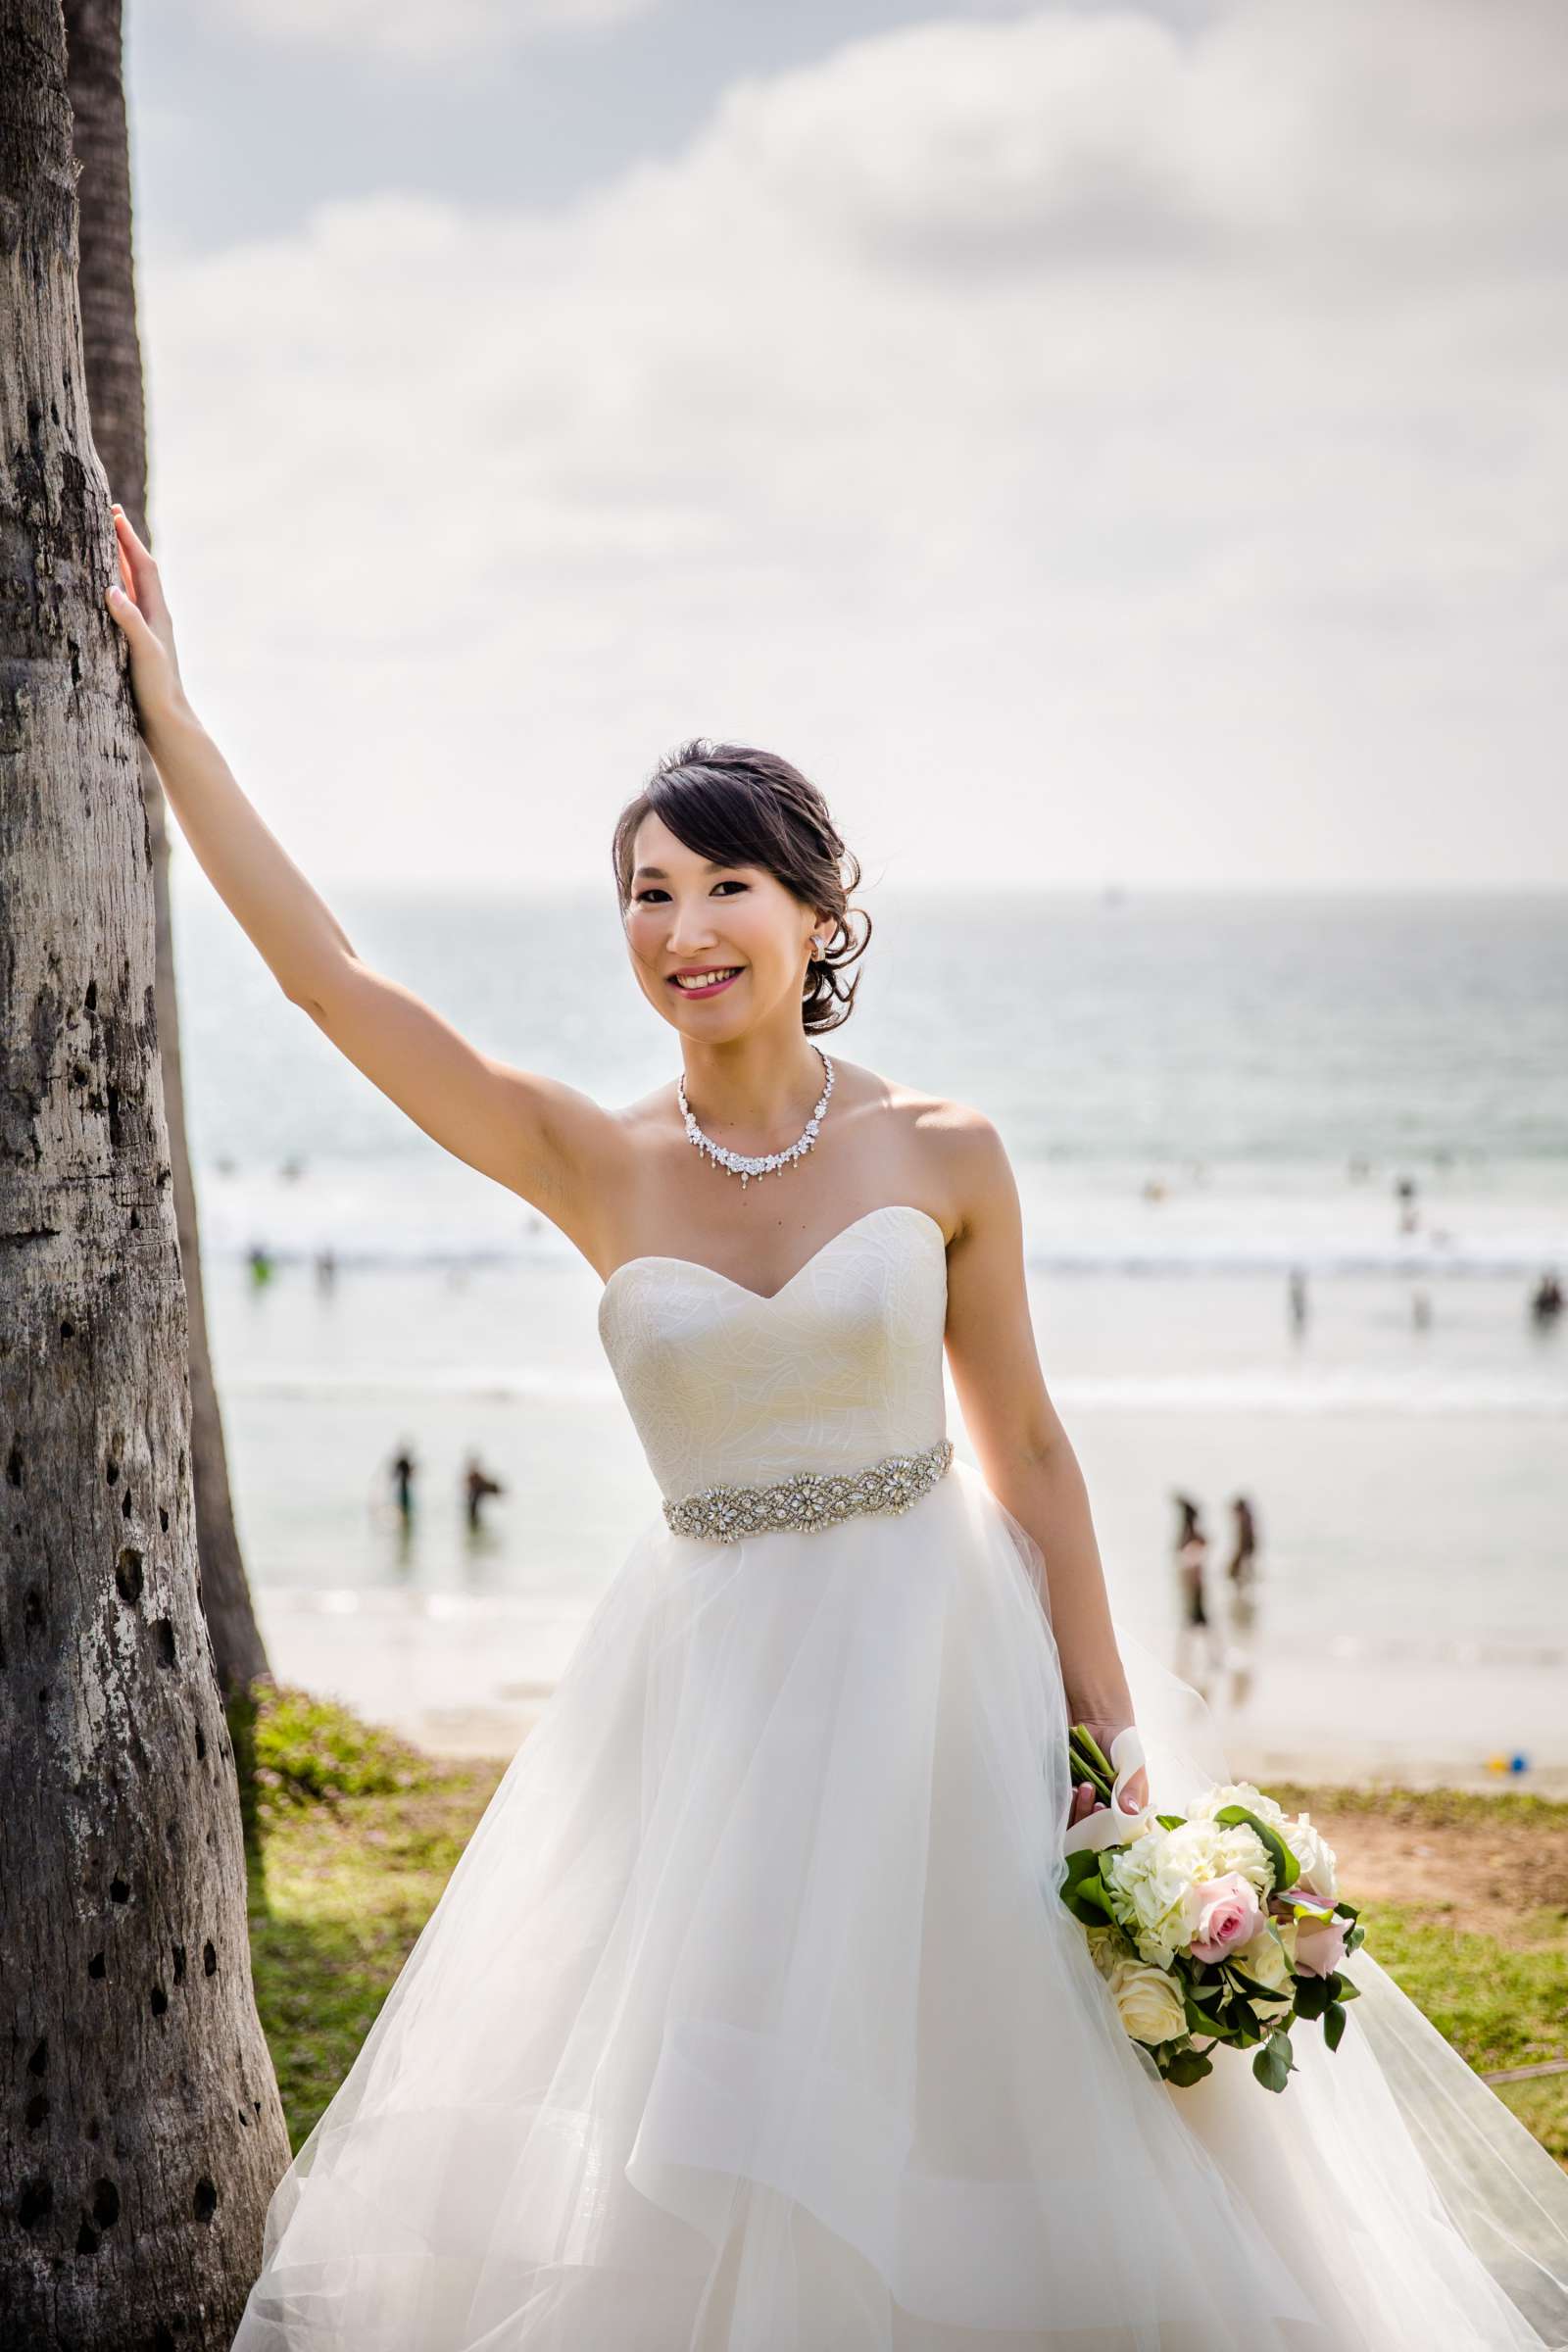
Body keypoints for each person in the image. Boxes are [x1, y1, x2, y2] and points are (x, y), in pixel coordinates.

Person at [104, 511, 1568, 2350]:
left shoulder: (946, 1152)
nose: (684, 929)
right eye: (648, 892)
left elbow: (1028, 1451)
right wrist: (174, 713)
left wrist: (1109, 1736)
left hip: (941, 1667)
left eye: (725, 887)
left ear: (815, 914)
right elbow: (333, 985)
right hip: (704, 1691)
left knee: (983, 2087)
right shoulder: (592, 1158)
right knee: (720, 2123)